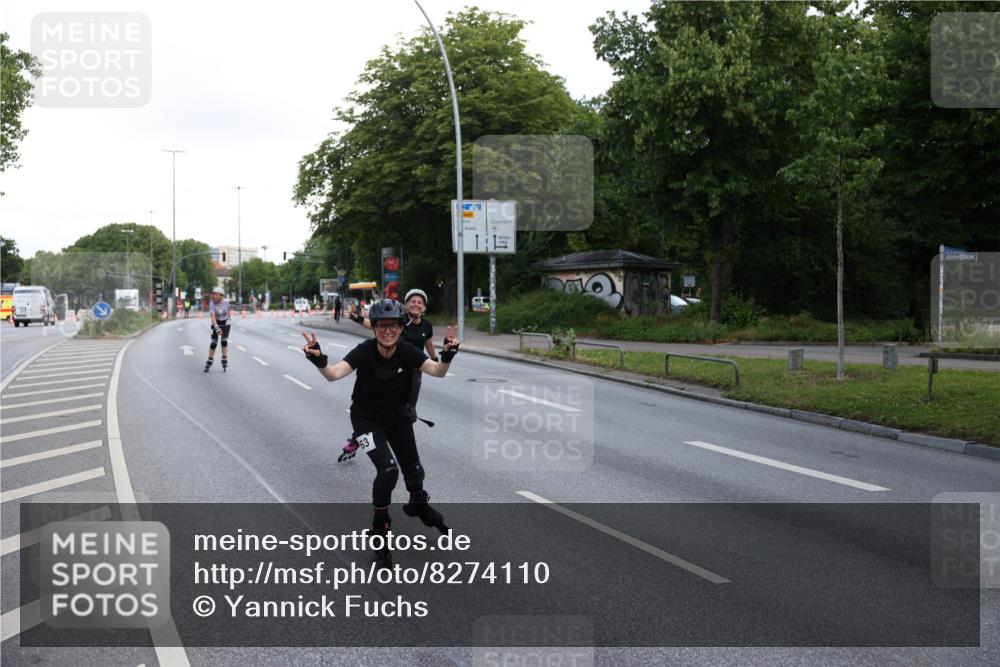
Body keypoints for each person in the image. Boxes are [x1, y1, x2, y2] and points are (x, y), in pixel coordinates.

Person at [302, 298, 460, 567]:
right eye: (382, 326)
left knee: (414, 471)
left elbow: (437, 371)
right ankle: (380, 524)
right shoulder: (364, 351)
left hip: (397, 417)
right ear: (373, 328)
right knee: (388, 471)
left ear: (401, 328)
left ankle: (418, 504)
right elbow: (333, 374)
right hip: (365, 420)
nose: (388, 331)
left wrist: (446, 356)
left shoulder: (408, 351)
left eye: (394, 326)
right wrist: (319, 359)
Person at [339, 288, 437, 462]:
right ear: (406, 305)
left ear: (424, 307)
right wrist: (359, 318)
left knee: (407, 409)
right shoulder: (399, 321)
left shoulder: (426, 325)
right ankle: (358, 438)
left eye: (419, 302)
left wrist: (435, 359)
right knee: (375, 407)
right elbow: (375, 325)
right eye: (412, 301)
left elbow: (428, 344)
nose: (416, 304)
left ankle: (400, 440)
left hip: (412, 372)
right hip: (390, 369)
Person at [204, 287, 231, 372]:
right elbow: (213, 317)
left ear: (221, 296)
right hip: (216, 322)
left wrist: (227, 322)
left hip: (226, 322)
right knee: (214, 342)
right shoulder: (212, 304)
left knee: (224, 341)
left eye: (216, 295)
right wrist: (216, 328)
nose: (214, 296)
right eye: (213, 294)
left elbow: (228, 313)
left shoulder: (226, 302)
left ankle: (224, 357)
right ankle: (210, 359)